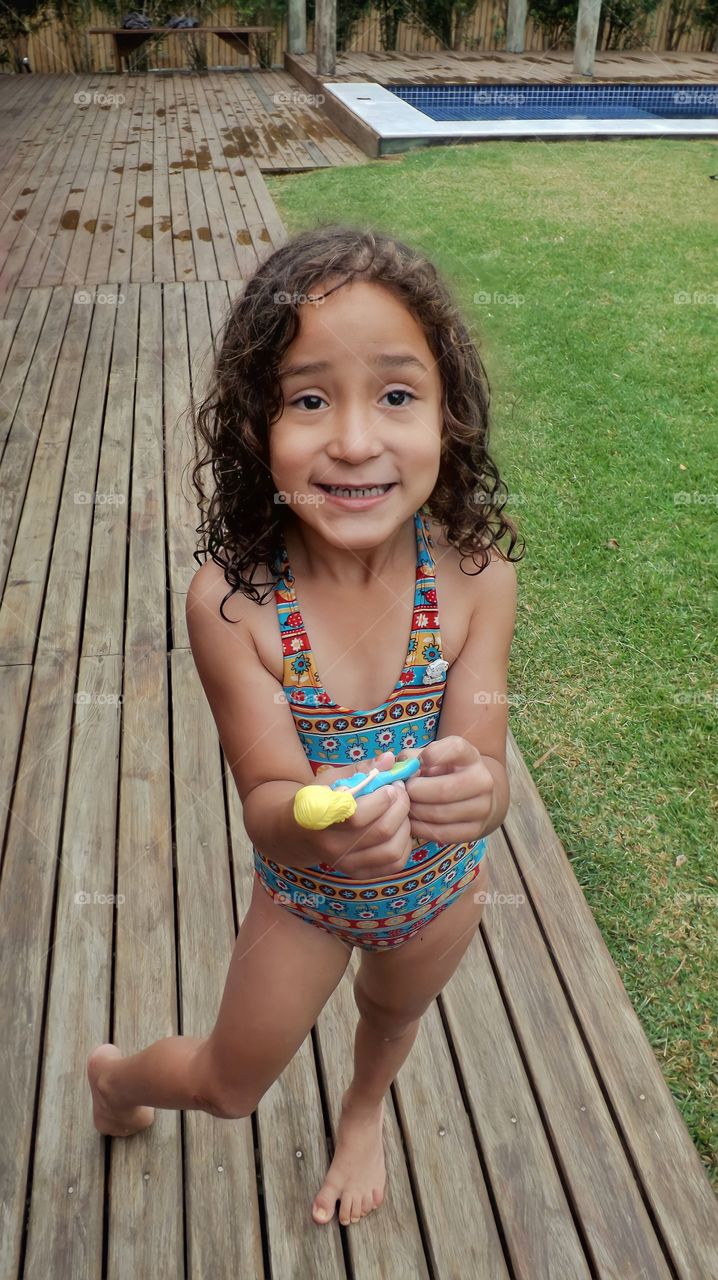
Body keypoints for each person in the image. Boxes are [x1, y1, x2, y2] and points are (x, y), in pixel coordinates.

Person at [87, 224, 524, 1229]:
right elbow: (268, 801)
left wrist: (479, 791)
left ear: (448, 416)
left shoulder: (476, 579)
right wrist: (315, 822)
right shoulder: (235, 606)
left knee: (393, 1013)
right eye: (310, 398)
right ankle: (117, 1074)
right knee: (231, 1082)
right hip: (308, 898)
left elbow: (488, 748)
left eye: (398, 394)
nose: (358, 440)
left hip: (441, 892)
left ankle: (363, 1110)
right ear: (256, 427)